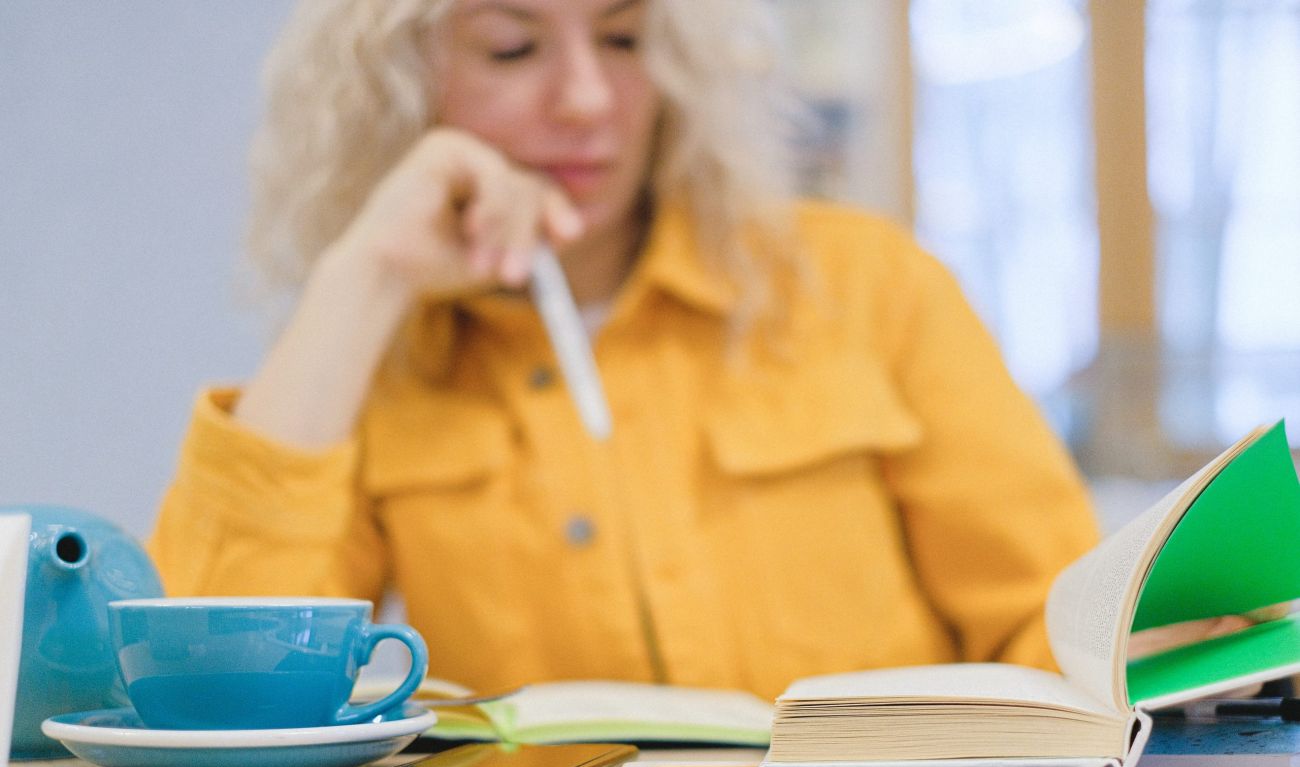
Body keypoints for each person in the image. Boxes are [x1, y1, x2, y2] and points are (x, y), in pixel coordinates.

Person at [149, 0, 1101, 701]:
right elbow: (214, 690)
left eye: (624, 38)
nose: (586, 97)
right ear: (398, 83)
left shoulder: (862, 284)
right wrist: (365, 275)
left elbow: (1060, 624)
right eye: (511, 47)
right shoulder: (373, 360)